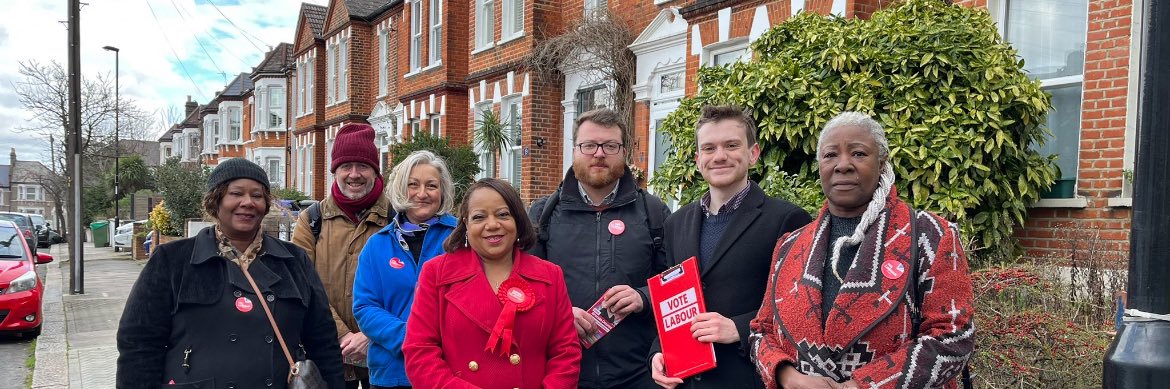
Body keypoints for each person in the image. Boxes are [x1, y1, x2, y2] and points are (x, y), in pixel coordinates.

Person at [748, 112, 975, 389]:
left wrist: (863, 385)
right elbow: (762, 331)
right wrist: (787, 376)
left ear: (882, 163)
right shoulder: (789, 245)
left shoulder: (930, 234)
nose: (843, 165)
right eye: (830, 155)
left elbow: (954, 336)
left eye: (858, 153)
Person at [116, 158, 345, 388]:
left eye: (257, 196)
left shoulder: (294, 261)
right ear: (215, 201)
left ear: (265, 205)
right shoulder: (172, 260)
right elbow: (139, 344)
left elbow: (323, 342)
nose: (247, 202)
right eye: (236, 193)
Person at [650, 105, 812, 389]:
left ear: (753, 154)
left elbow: (800, 308)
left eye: (731, 145)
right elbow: (670, 299)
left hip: (747, 377)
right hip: (684, 380)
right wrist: (658, 351)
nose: (719, 156)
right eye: (709, 148)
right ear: (698, 159)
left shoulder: (787, 219)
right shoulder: (676, 223)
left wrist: (739, 328)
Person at [527, 108, 671, 389]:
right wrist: (560, 313)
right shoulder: (543, 213)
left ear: (624, 151)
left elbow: (676, 280)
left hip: (638, 373)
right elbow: (524, 285)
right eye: (589, 145)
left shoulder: (654, 212)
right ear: (575, 150)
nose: (599, 153)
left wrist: (644, 297)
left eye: (610, 145)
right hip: (562, 371)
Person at [404, 178, 582, 389]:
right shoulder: (436, 274)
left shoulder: (550, 276)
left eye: (503, 214)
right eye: (479, 217)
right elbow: (419, 353)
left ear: (518, 220)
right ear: (466, 225)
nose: (492, 225)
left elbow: (566, 352)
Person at [292, 123, 390, 389]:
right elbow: (302, 285)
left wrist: (370, 335)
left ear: (375, 169)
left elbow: (411, 288)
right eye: (346, 166)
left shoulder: (396, 219)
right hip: (327, 351)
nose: (354, 174)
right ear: (335, 170)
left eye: (363, 166)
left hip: (384, 351)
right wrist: (345, 335)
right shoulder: (311, 220)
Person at [353, 150, 459, 388]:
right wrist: (412, 337)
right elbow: (365, 307)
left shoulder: (461, 239)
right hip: (392, 372)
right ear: (402, 188)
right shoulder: (377, 244)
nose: (422, 194)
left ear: (442, 191)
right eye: (413, 185)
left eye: (431, 185)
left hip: (449, 370)